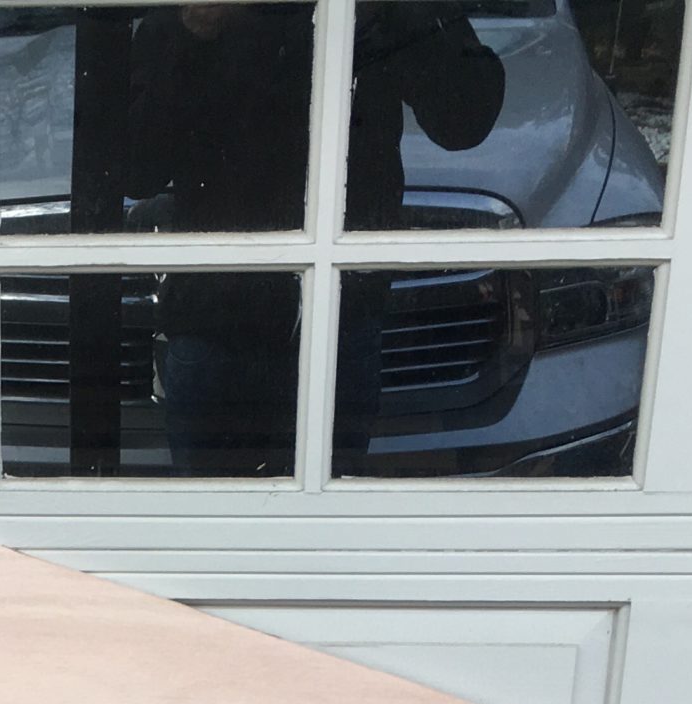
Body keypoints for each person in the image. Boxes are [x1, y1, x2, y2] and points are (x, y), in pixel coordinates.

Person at [119, 3, 505, 474]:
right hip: (214, 319)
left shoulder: (376, 11)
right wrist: (192, 31)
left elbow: (464, 120)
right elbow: (132, 169)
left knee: (330, 503)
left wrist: (396, 13)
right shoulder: (187, 14)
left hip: (342, 318)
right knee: (216, 512)